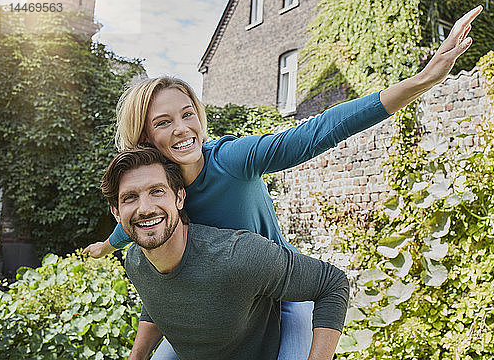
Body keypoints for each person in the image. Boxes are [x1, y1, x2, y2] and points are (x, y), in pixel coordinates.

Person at [84, 5, 483, 359]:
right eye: (164, 122)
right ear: (145, 137)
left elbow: (317, 132)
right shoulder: (160, 193)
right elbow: (132, 224)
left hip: (282, 293)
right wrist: (105, 245)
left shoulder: (232, 159)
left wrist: (422, 81)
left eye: (188, 114)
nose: (184, 128)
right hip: (228, 304)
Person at [101, 146, 349, 360]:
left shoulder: (236, 256)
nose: (145, 208)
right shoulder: (135, 261)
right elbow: (157, 299)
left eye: (157, 191)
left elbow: (332, 283)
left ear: (179, 197)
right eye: (130, 198)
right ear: (116, 212)